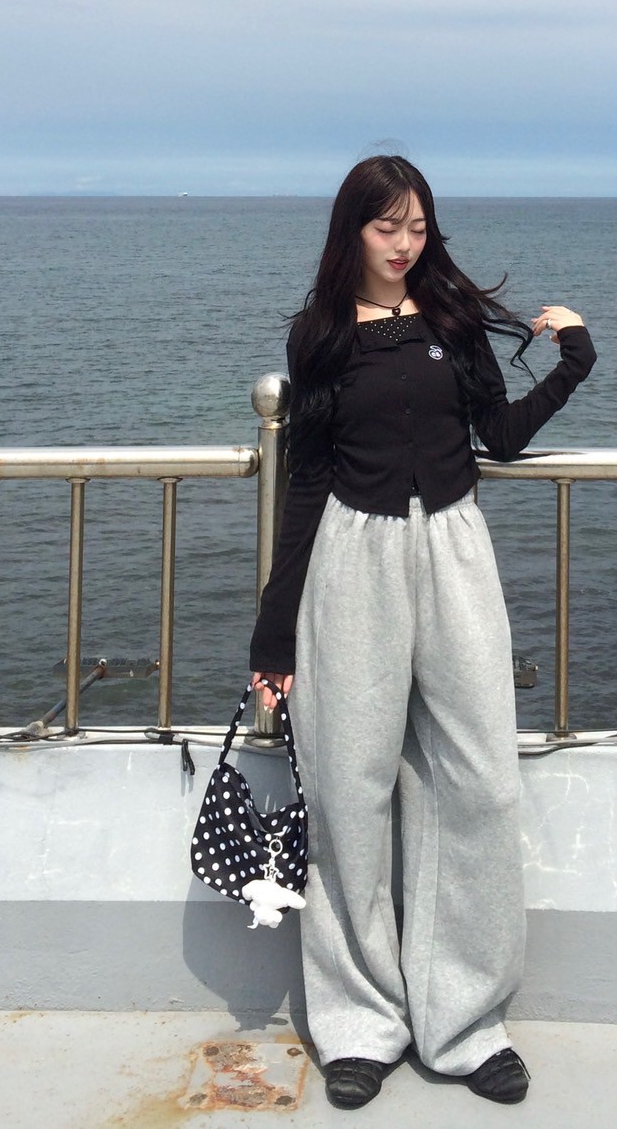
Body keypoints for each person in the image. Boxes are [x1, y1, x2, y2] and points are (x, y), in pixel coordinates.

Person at [249, 154, 596, 1109]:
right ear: (352, 231)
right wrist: (273, 640)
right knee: (350, 787)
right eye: (385, 227)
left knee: (478, 780)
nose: (404, 244)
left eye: (417, 226)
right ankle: (361, 1022)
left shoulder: (449, 320)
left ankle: (465, 1021)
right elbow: (307, 480)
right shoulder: (321, 334)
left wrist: (573, 359)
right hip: (349, 560)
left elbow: (500, 435)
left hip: (453, 549)